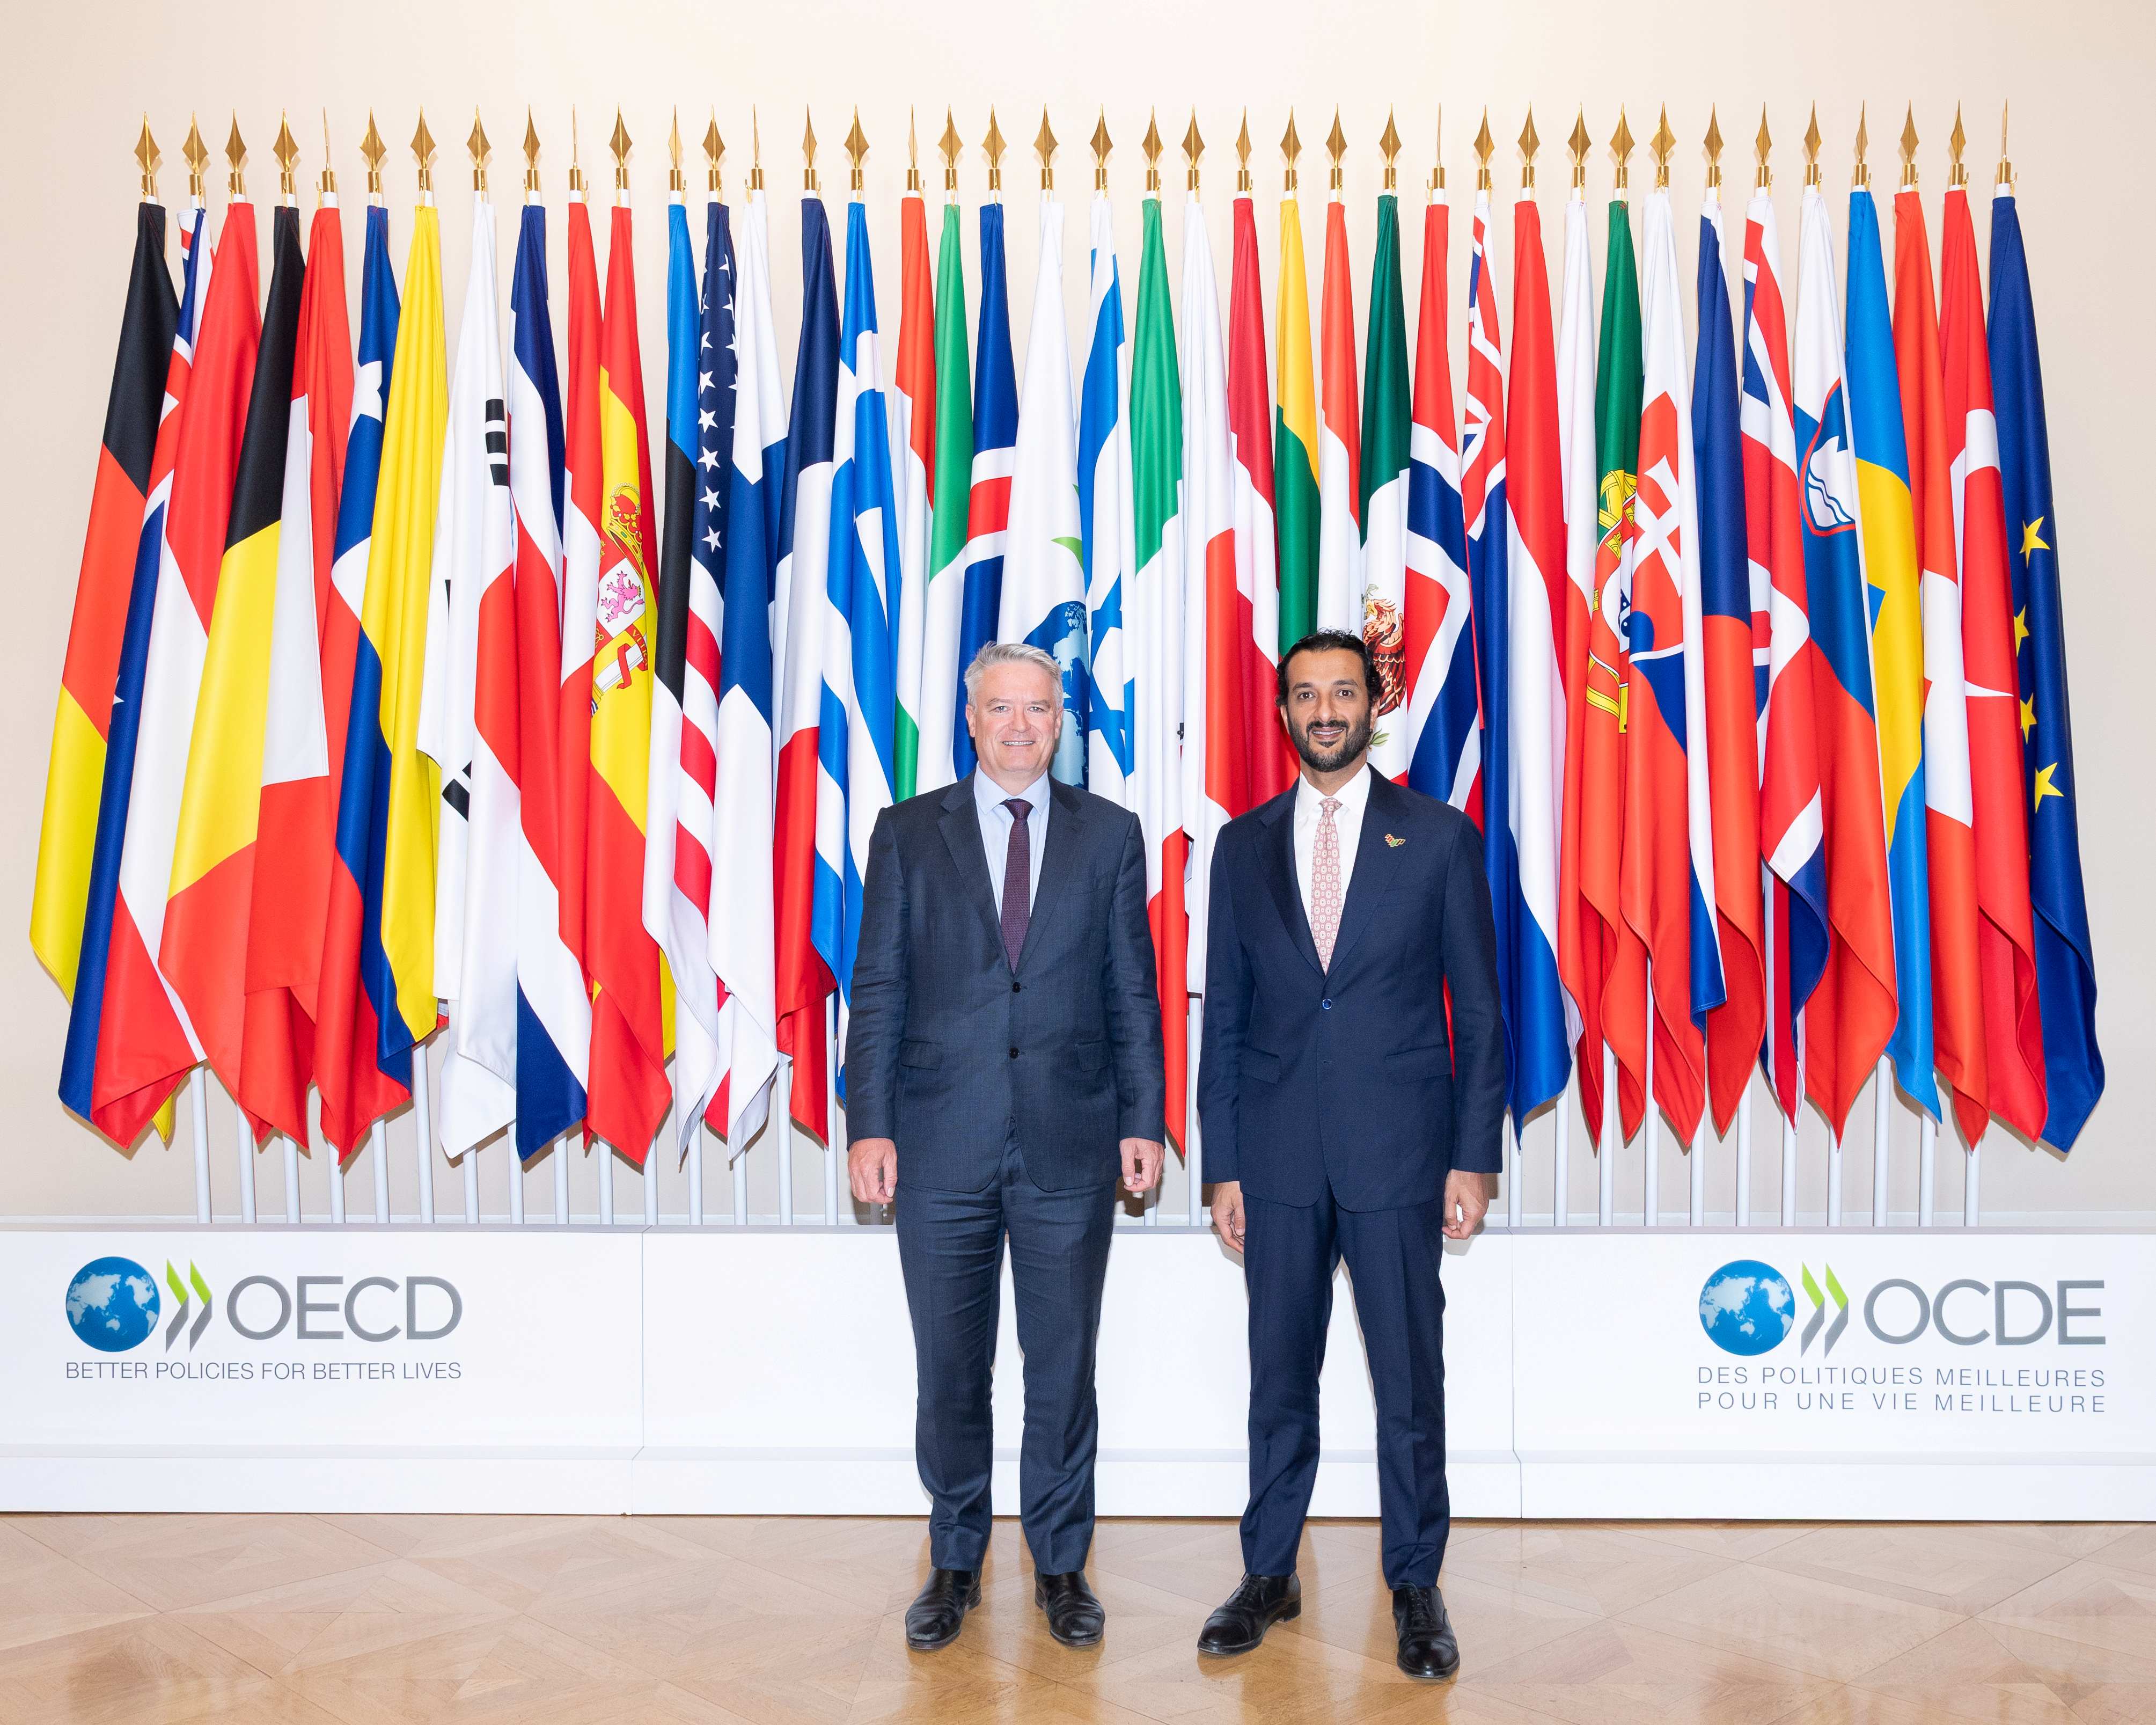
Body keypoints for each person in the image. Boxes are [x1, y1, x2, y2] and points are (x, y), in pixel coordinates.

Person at [1193, 628, 1505, 1681]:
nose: (1323, 710)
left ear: (1373, 704)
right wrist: (1223, 1164)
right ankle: (1266, 1572)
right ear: (1282, 710)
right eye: (1304, 694)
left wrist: (1471, 1156)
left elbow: (1480, 1012)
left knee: (1408, 1382)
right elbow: (1225, 1016)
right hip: (1276, 1159)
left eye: (1341, 691)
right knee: (1277, 1379)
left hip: (1400, 1156)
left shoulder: (1439, 837)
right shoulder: (1240, 846)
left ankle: (1414, 1583)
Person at [845, 641, 1167, 1653]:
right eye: (1001, 708)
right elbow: (879, 986)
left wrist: (1143, 1118)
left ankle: (1061, 1565)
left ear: (1059, 720)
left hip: (1072, 1141)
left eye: (1038, 708)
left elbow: (1132, 990)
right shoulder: (907, 832)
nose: (1021, 726)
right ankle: (955, 1560)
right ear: (970, 719)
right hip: (938, 1141)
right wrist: (868, 1123)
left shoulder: (1110, 834)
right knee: (950, 1368)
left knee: (1062, 1366)